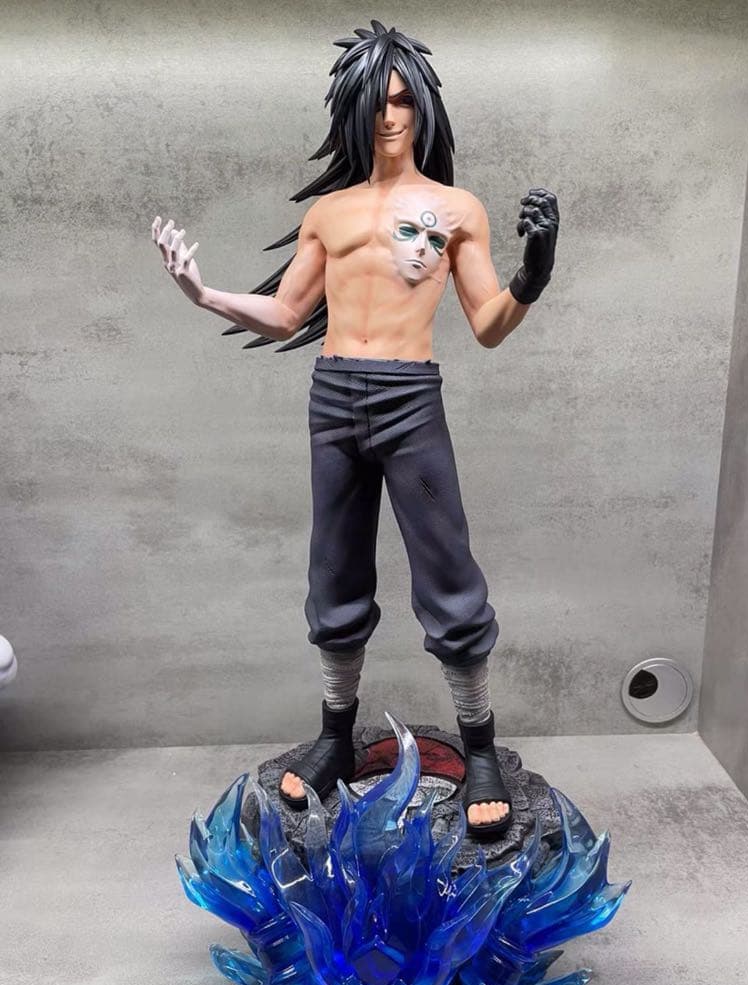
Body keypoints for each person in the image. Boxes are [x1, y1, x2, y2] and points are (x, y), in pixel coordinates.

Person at [151, 20, 559, 840]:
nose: (391, 116)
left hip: (410, 397)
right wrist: (205, 294)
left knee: (447, 569)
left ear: (424, 107)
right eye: (377, 101)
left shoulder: (456, 209)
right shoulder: (331, 213)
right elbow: (287, 312)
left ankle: (480, 748)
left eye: (404, 100)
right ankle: (336, 736)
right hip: (334, 394)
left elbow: (486, 324)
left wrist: (532, 274)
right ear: (354, 109)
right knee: (334, 569)